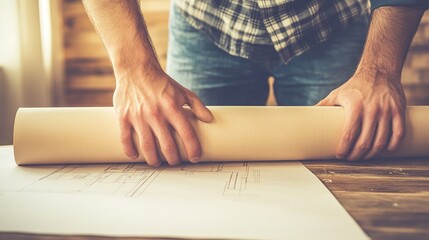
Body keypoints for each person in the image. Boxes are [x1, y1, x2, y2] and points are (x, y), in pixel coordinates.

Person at [83, 0, 428, 166]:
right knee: (182, 160)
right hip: (207, 22)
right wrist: (133, 68)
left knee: (350, 159)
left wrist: (380, 71)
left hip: (328, 20)